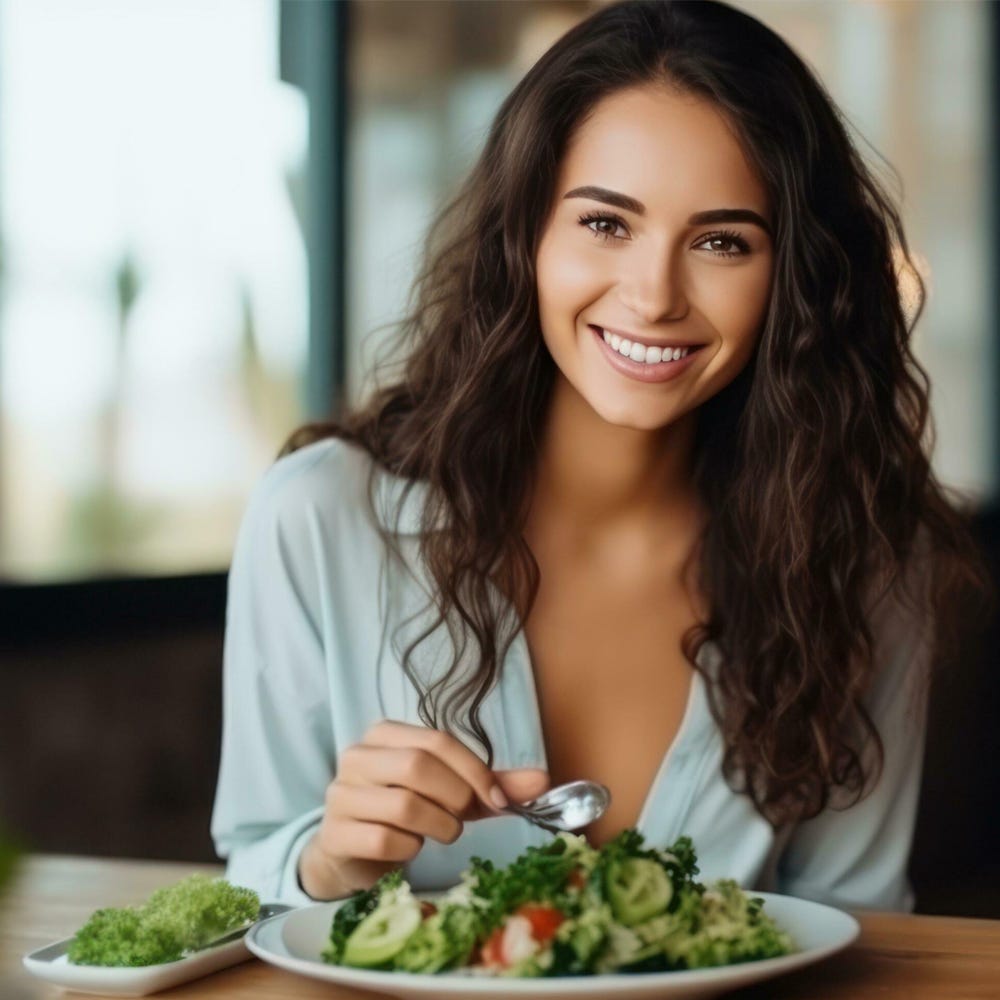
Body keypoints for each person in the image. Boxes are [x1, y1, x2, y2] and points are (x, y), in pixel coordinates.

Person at [211, 0, 988, 912]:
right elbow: (259, 865)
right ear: (526, 236)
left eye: (721, 242)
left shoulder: (861, 556)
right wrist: (328, 863)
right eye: (606, 225)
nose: (654, 296)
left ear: (796, 279)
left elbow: (855, 922)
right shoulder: (320, 518)